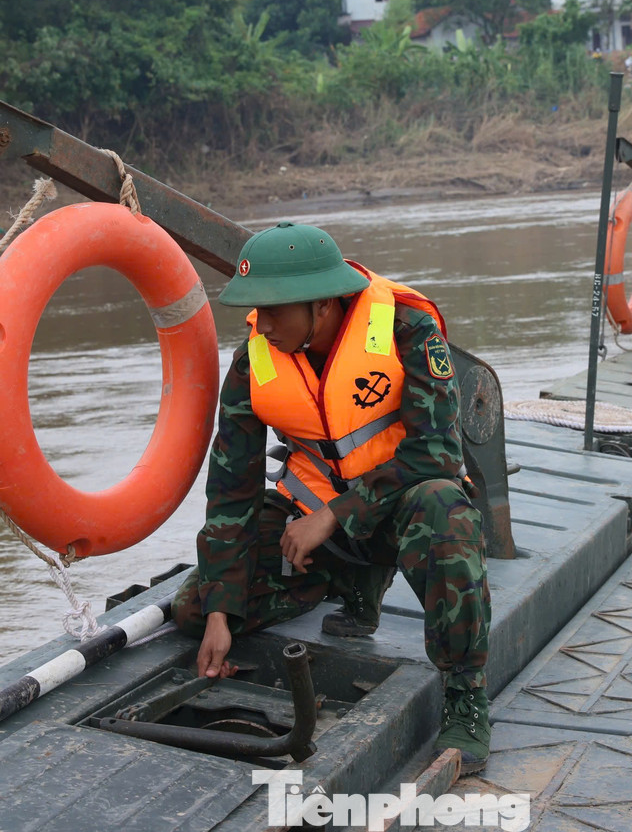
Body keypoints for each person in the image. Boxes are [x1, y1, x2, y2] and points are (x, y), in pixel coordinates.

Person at [170, 222, 493, 772]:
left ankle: (466, 697)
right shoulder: (255, 357)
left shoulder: (406, 328)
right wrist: (223, 611)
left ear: (322, 305)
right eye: (255, 310)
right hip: (313, 525)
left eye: (273, 310)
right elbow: (232, 489)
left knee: (446, 511)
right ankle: (350, 580)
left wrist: (336, 515)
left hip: (401, 513)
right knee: (195, 607)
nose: (261, 323)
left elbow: (437, 453)